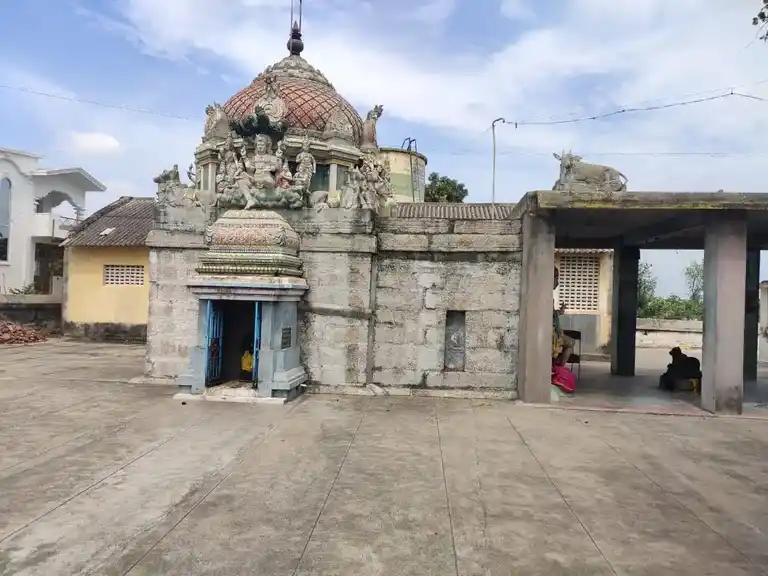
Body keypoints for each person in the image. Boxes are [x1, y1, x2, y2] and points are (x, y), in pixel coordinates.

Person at [553, 267, 575, 366]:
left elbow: (551, 314)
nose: (557, 282)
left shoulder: (549, 296)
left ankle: (557, 366)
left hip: (553, 331)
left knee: (570, 342)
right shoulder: (546, 296)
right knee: (570, 342)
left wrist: (559, 312)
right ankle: (559, 367)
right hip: (550, 332)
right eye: (556, 278)